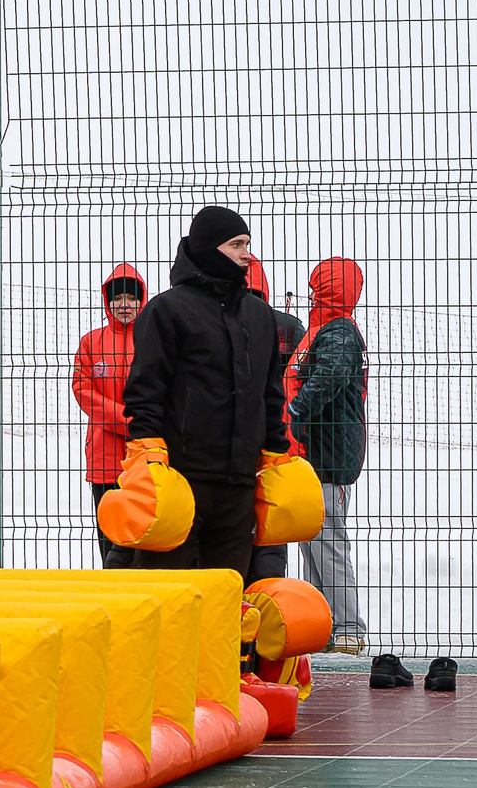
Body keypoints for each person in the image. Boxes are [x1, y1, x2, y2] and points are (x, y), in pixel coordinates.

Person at [119, 205, 288, 579]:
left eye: (247, 244)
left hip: (239, 483)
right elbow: (145, 392)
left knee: (226, 590)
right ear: (210, 248)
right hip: (181, 479)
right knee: (167, 589)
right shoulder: (167, 310)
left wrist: (275, 454)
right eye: (236, 244)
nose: (246, 254)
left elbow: (271, 395)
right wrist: (149, 456)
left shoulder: (260, 316)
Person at [287, 257, 371, 651]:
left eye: (316, 287)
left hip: (328, 455)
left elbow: (330, 376)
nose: (310, 294)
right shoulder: (326, 330)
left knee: (328, 543)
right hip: (315, 453)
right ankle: (324, 625)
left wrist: (297, 408)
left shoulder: (338, 333)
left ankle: (348, 627)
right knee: (314, 543)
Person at [71, 265, 146, 568]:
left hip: (145, 454)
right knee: (110, 537)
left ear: (141, 300)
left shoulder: (152, 339)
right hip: (105, 457)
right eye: (117, 298)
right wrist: (128, 420)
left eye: (131, 297)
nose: (124, 305)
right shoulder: (91, 342)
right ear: (107, 301)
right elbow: (82, 389)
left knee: (144, 532)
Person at [243, 256, 305, 582]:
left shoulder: (215, 324)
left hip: (244, 445)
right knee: (271, 532)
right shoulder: (287, 327)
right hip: (278, 441)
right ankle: (268, 596)